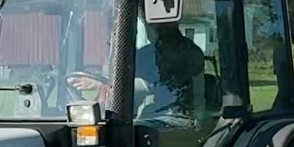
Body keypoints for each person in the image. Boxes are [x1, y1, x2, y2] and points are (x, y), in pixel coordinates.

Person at [67, 22, 205, 123]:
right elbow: (129, 87)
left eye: (152, 23)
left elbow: (159, 85)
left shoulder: (187, 52)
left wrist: (102, 85)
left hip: (181, 115)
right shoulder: (146, 53)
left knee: (130, 133)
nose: (149, 27)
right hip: (153, 113)